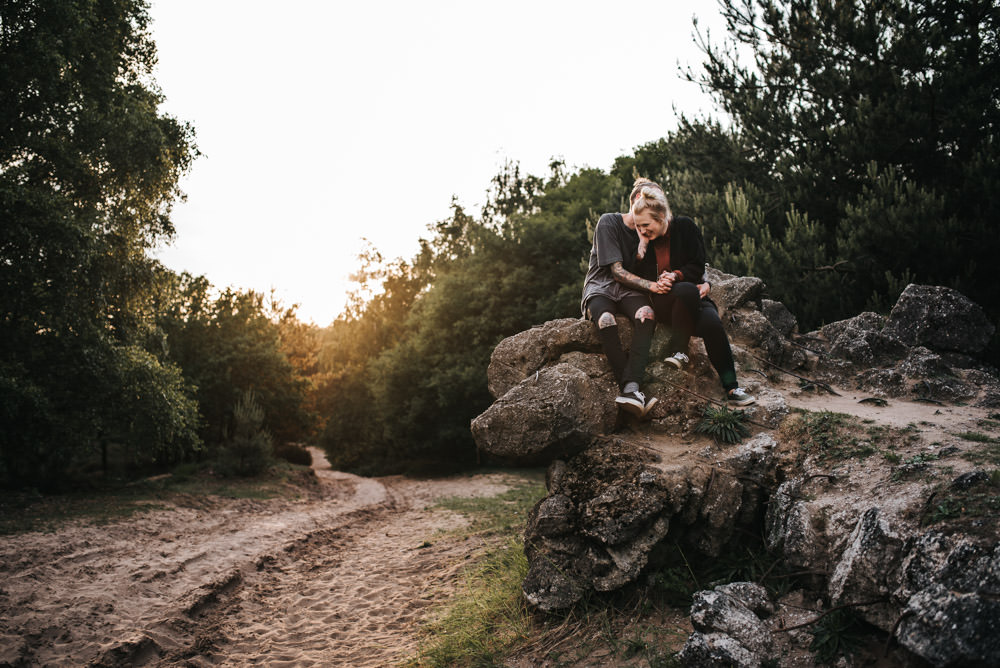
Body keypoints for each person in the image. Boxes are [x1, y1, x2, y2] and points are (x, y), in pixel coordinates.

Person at [628, 178, 757, 406]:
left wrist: (675, 275)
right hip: (663, 302)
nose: (641, 230)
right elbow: (633, 275)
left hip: (691, 297)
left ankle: (732, 387)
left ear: (661, 218)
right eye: (638, 226)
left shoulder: (686, 227)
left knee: (711, 323)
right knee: (687, 290)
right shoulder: (643, 242)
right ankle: (680, 350)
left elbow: (698, 265)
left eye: (645, 225)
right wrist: (641, 250)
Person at [581, 193, 668, 417]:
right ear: (637, 198)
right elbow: (617, 273)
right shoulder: (608, 221)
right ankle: (629, 390)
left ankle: (631, 388)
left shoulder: (650, 231)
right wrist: (652, 286)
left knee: (647, 314)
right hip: (601, 286)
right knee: (606, 319)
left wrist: (642, 246)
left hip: (630, 292)